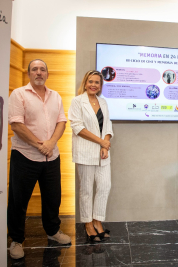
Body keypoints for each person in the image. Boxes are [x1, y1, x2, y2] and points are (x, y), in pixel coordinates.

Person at [7, 59, 71, 259]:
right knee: (19, 201)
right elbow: (16, 124)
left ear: (47, 74)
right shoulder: (18, 94)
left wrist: (51, 143)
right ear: (29, 74)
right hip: (25, 156)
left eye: (42, 69)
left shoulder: (55, 96)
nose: (39, 72)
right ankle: (16, 240)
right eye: (34, 69)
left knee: (53, 197)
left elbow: (61, 121)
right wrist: (39, 145)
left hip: (51, 156)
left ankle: (53, 231)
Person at [68, 70, 113, 242]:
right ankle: (88, 224)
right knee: (86, 190)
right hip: (85, 152)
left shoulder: (103, 101)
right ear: (85, 83)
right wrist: (101, 142)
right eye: (90, 81)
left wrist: (106, 143)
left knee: (104, 187)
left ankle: (97, 221)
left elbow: (108, 124)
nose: (93, 85)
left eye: (97, 82)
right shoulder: (77, 101)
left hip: (103, 153)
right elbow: (78, 128)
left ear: (101, 86)